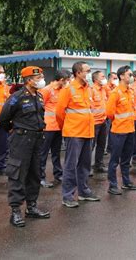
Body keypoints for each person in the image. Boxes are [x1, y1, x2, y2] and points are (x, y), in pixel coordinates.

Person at [0, 66, 50, 227]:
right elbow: (3, 119)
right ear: (28, 80)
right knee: (18, 174)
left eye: (40, 76)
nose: (41, 79)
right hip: (21, 140)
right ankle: (15, 211)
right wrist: (15, 131)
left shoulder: (39, 96)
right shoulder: (17, 97)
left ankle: (31, 207)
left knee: (35, 173)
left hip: (37, 139)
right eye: (38, 77)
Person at [55, 61, 99, 208]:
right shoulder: (68, 90)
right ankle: (68, 195)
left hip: (88, 132)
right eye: (87, 71)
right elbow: (59, 113)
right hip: (74, 133)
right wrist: (66, 129)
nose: (89, 73)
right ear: (78, 73)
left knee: (85, 165)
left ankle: (83, 191)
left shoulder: (88, 89)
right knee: (70, 165)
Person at [106, 65, 136, 195]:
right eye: (129, 75)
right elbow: (109, 112)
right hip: (118, 131)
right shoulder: (116, 92)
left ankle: (126, 182)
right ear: (121, 76)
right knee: (114, 159)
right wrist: (118, 121)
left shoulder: (130, 91)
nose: (131, 77)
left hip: (130, 129)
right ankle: (112, 185)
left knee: (126, 159)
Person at [38, 69, 71, 188]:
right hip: (48, 127)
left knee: (56, 152)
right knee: (43, 153)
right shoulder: (47, 90)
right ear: (61, 80)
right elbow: (39, 108)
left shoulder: (64, 90)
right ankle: (40, 177)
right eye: (67, 80)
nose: (69, 82)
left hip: (59, 126)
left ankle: (58, 174)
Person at [90, 70, 108, 174]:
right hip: (94, 123)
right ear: (96, 79)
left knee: (102, 145)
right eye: (102, 77)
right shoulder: (91, 90)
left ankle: (99, 165)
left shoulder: (103, 90)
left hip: (103, 121)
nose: (104, 78)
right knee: (90, 146)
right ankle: (88, 167)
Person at [104, 72, 118, 155]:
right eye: (114, 78)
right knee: (105, 133)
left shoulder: (115, 87)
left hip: (114, 113)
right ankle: (104, 149)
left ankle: (110, 148)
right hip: (107, 113)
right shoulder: (105, 87)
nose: (115, 80)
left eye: (116, 78)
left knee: (112, 132)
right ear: (109, 78)